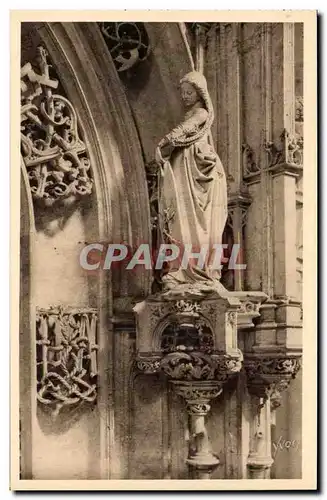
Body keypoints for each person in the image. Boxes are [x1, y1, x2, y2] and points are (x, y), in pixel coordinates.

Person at [155, 71, 227, 291]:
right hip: (182, 165)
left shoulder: (201, 114)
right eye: (183, 92)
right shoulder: (189, 121)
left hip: (196, 171)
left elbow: (186, 129)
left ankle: (198, 270)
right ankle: (180, 270)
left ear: (200, 93)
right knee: (179, 219)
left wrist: (164, 141)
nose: (185, 96)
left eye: (189, 92)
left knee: (197, 222)